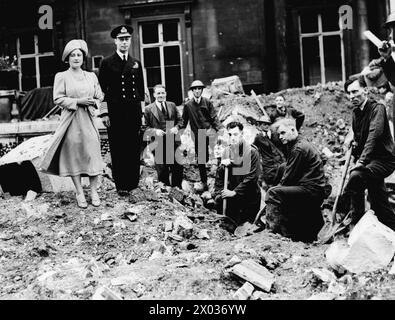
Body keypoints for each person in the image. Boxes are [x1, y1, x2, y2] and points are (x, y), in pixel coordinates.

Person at [40, 39, 105, 208]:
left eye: (79, 55)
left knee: (92, 152)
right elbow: (57, 98)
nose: (76, 58)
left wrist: (94, 103)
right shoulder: (61, 76)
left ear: (83, 58)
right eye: (73, 55)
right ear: (67, 58)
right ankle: (79, 192)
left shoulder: (91, 76)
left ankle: (93, 191)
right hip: (71, 120)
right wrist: (78, 101)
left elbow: (100, 95)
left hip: (88, 119)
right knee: (74, 155)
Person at [342, 77, 395, 231]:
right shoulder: (355, 113)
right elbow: (361, 139)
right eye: (349, 93)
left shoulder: (377, 108)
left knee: (356, 176)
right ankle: (390, 229)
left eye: (355, 91)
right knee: (380, 204)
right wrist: (355, 144)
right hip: (369, 162)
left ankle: (355, 219)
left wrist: (361, 162)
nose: (352, 96)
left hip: (384, 160)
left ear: (365, 90)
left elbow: (374, 135)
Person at [98, 25, 145, 195]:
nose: (124, 42)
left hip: (133, 112)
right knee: (118, 147)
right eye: (121, 39)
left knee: (133, 147)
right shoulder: (107, 63)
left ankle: (133, 184)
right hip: (116, 113)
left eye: (127, 39)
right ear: (115, 41)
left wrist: (142, 113)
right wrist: (104, 112)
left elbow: (141, 90)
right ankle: (121, 186)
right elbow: (101, 91)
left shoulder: (136, 63)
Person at [264, 118, 326, 242]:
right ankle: (287, 231)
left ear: (292, 130)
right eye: (279, 134)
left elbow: (288, 178)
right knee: (282, 168)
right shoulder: (298, 143)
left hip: (311, 190)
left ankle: (271, 232)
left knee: (273, 193)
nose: (280, 137)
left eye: (283, 133)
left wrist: (274, 191)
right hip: (312, 186)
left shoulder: (299, 149)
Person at [213, 121, 261, 227]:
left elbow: (252, 177)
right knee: (229, 225)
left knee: (246, 227)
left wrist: (235, 192)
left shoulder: (252, 152)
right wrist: (218, 193)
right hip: (232, 199)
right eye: (230, 135)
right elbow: (220, 176)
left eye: (235, 134)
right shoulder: (226, 151)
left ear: (242, 134)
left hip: (249, 198)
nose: (232, 138)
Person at [178, 80, 222, 191]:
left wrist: (220, 129)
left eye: (199, 89)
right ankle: (204, 182)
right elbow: (184, 121)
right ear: (192, 91)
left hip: (209, 132)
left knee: (218, 156)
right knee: (202, 159)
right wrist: (178, 131)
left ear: (202, 90)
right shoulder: (188, 105)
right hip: (198, 135)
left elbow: (214, 118)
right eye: (195, 89)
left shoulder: (207, 102)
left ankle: (220, 182)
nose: (197, 91)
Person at [144, 84, 183, 188]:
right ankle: (166, 193)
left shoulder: (172, 105)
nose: (161, 95)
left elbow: (180, 120)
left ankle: (177, 190)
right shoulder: (148, 109)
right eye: (158, 93)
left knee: (178, 167)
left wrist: (176, 128)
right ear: (154, 95)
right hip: (158, 144)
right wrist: (155, 131)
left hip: (173, 141)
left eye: (162, 93)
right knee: (162, 171)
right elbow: (144, 127)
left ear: (165, 94)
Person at [252, 113, 285, 189]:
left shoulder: (276, 135)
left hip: (280, 162)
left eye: (268, 124)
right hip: (268, 165)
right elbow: (253, 148)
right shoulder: (258, 137)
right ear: (260, 125)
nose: (267, 126)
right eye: (264, 124)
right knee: (271, 185)